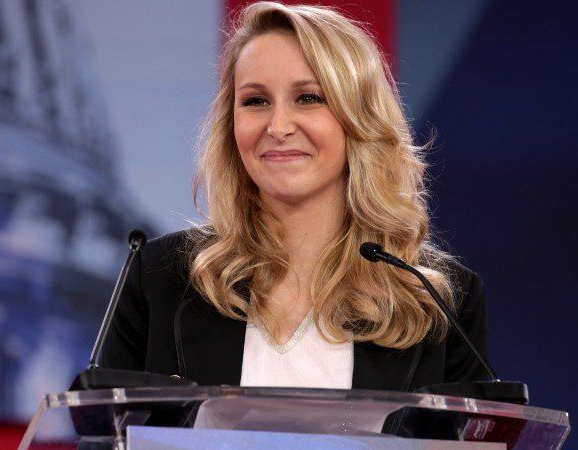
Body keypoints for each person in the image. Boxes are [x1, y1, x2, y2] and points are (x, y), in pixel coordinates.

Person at [101, 1, 488, 391]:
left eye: (308, 98)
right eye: (256, 101)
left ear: (359, 118)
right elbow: (104, 422)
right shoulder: (159, 279)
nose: (278, 126)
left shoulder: (436, 299)